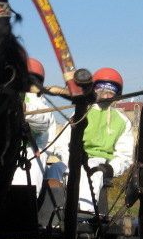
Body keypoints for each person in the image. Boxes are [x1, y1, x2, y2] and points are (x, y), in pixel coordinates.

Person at [54, 67, 135, 214]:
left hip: (98, 162)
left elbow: (125, 155)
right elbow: (62, 143)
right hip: (73, 159)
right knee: (54, 171)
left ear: (117, 94)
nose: (106, 95)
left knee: (91, 170)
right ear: (94, 90)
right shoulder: (81, 112)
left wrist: (111, 168)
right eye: (102, 90)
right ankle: (49, 218)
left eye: (111, 91)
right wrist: (70, 160)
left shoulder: (122, 121)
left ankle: (84, 214)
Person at [12, 58, 57, 198]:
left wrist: (24, 108)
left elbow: (43, 122)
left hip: (32, 151)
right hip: (4, 151)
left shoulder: (39, 102)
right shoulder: (6, 94)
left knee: (23, 192)